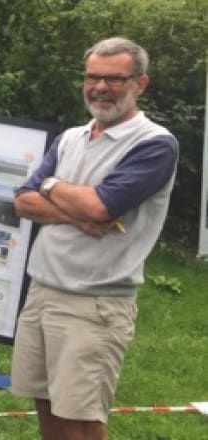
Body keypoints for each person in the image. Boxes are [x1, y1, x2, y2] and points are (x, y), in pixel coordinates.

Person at [10, 37, 178, 440]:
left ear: (140, 84)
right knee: (46, 403)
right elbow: (22, 202)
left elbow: (101, 208)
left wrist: (50, 184)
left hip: (94, 304)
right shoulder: (72, 137)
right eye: (92, 77)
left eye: (114, 79)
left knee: (80, 421)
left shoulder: (155, 144)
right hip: (43, 291)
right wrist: (77, 209)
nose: (100, 88)